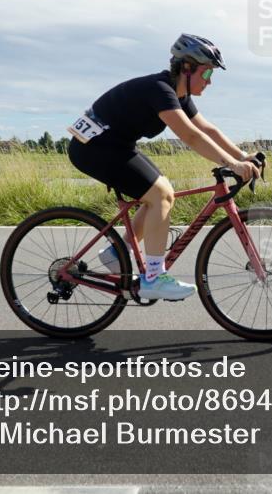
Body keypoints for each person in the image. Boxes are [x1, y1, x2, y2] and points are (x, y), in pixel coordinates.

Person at [67, 34, 261, 301]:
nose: (210, 82)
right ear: (187, 68)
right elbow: (191, 136)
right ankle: (154, 278)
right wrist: (231, 164)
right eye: (206, 74)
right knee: (161, 195)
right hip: (93, 148)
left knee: (161, 192)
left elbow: (207, 129)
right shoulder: (159, 89)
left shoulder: (178, 94)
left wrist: (243, 156)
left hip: (115, 145)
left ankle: (116, 252)